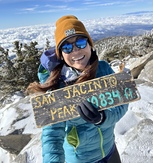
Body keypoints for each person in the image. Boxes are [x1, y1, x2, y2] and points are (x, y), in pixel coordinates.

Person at [26, 15, 128, 163]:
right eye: (67, 47)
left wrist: (102, 118)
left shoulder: (104, 69)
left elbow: (123, 102)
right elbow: (52, 136)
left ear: (90, 44)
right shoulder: (57, 85)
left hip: (109, 150)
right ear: (60, 54)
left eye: (80, 42)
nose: (75, 51)